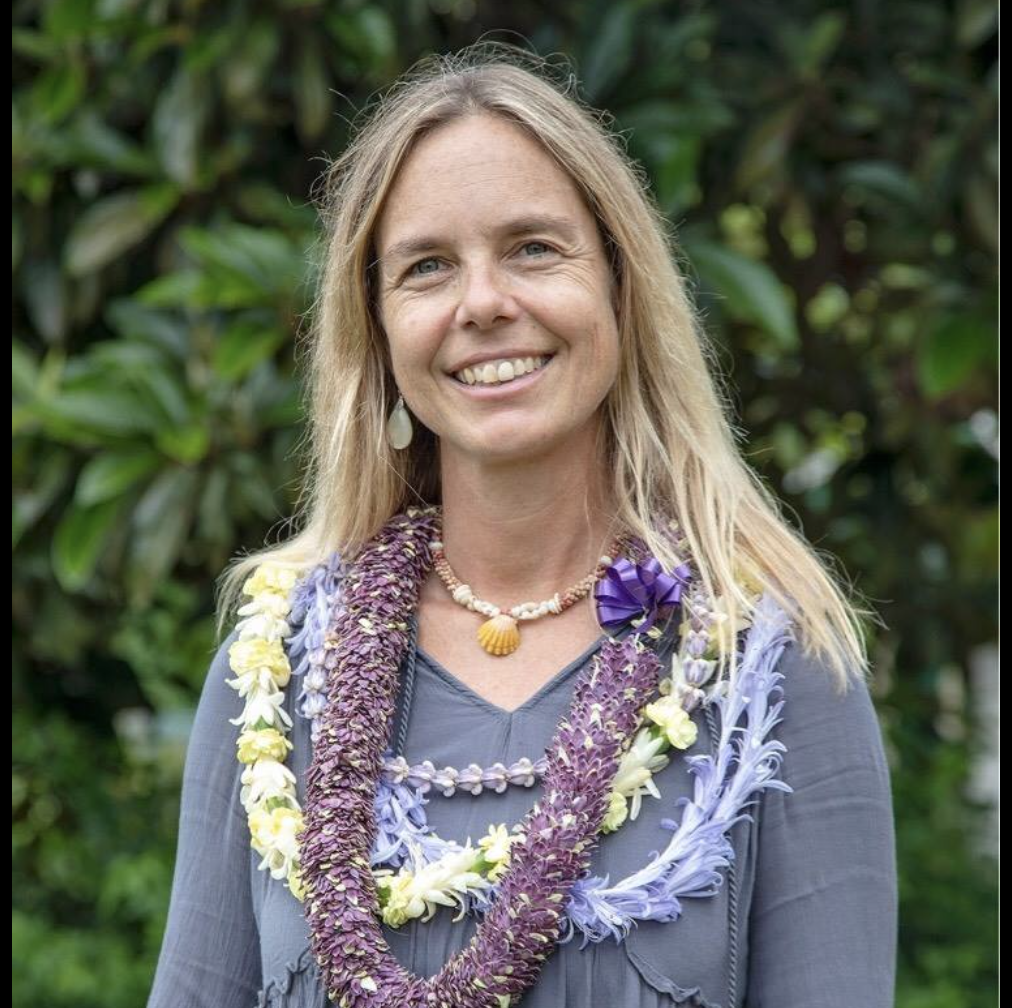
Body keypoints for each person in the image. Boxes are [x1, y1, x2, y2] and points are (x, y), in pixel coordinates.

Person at [146, 44, 898, 1008]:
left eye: (533, 248)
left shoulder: (767, 672)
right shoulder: (278, 672)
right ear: (376, 332)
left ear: (621, 290)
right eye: (427, 267)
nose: (485, 304)